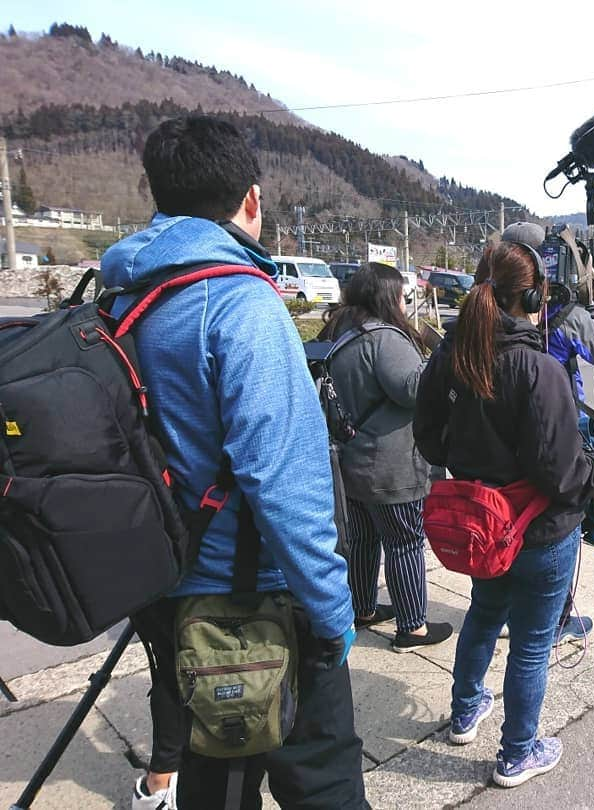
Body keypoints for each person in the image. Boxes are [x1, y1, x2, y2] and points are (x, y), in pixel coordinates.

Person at [106, 116, 368, 809]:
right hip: (257, 602)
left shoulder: (122, 294)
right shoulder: (239, 301)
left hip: (167, 585)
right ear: (252, 199)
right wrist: (332, 610)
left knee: (216, 786)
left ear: (156, 194)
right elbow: (282, 478)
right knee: (327, 790)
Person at [413, 239, 594, 787]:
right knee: (531, 642)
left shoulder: (449, 358)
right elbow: (563, 476)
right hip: (539, 531)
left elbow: (430, 444)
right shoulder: (538, 369)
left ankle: (465, 712)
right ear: (535, 296)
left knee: (484, 614)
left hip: (482, 526)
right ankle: (516, 753)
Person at [317, 264, 453, 653]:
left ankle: (360, 608)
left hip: (352, 459)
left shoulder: (339, 333)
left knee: (362, 539)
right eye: (401, 295)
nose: (404, 302)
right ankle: (413, 627)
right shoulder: (384, 338)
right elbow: (413, 390)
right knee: (404, 541)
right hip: (391, 465)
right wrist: (436, 364)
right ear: (387, 296)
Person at [500, 222, 594, 646]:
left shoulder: (485, 313)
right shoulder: (568, 316)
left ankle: (513, 609)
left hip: (502, 432)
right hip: (561, 426)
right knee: (561, 524)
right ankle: (555, 616)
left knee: (513, 520)